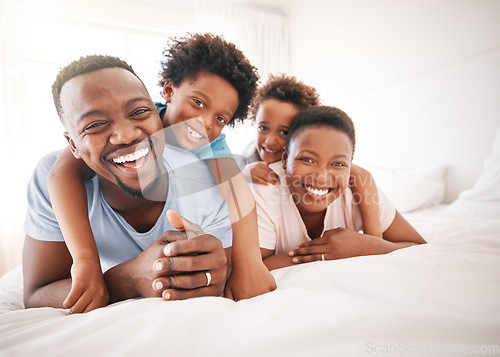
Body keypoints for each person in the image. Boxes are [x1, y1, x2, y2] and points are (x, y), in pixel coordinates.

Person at [46, 34, 276, 313]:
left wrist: (249, 263)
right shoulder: (137, 116)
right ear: (168, 92)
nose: (205, 122)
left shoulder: (212, 146)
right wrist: (85, 262)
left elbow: (238, 192)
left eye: (220, 118)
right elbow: (61, 174)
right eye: (198, 103)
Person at [23, 55, 236, 312]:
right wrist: (130, 278)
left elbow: (229, 268)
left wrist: (217, 269)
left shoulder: (204, 180)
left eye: (139, 112)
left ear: (158, 116)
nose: (126, 135)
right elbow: (36, 294)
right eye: (96, 124)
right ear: (73, 146)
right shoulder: (53, 178)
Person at [253, 106, 426, 271]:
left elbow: (419, 248)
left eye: (338, 164)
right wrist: (327, 254)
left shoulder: (362, 193)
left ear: (350, 167)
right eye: (307, 160)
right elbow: (252, 266)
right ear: (285, 159)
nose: (321, 177)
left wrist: (368, 246)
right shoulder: (264, 189)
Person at [242, 74, 383, 237]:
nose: (270, 140)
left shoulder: (337, 170)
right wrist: (243, 173)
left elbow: (362, 176)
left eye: (284, 132)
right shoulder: (247, 156)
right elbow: (218, 179)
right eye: (264, 128)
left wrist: (374, 239)